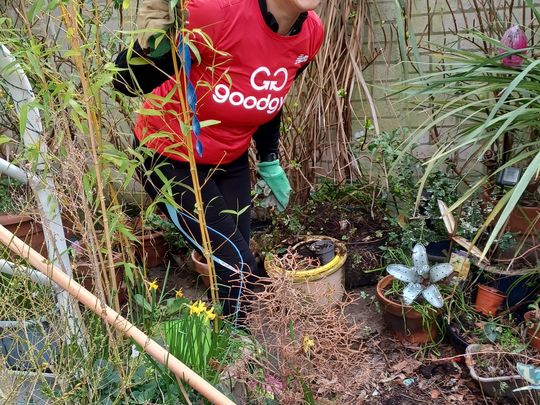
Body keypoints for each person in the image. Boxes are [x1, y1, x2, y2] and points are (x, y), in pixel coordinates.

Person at [113, 0, 324, 324]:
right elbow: (125, 83)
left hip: (231, 159)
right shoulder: (215, 13)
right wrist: (153, 43)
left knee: (235, 269)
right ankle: (240, 352)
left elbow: (270, 90)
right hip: (168, 157)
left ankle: (233, 348)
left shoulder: (311, 34)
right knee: (238, 265)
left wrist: (268, 159)